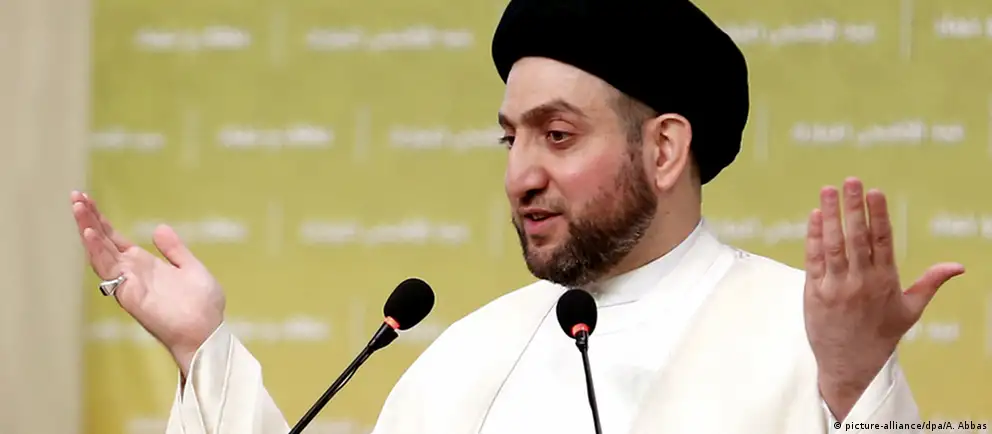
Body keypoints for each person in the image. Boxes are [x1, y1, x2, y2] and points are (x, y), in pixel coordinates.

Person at [72, 0, 965, 433]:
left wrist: (855, 383)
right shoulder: (472, 353)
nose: (520, 175)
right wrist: (204, 352)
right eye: (511, 138)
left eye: (558, 135)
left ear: (664, 149)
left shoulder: (800, 336)